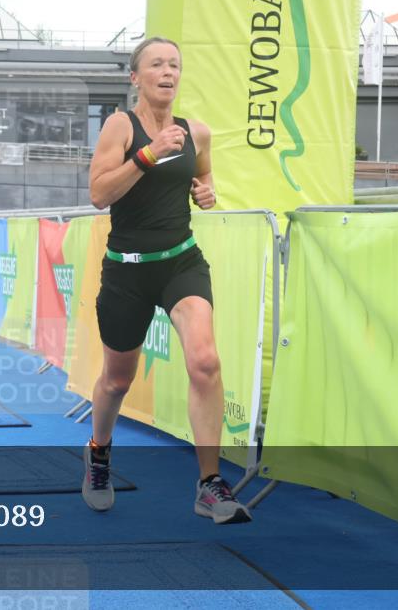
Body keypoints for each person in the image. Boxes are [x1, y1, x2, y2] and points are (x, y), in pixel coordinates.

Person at [85, 37, 250, 524]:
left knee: (205, 362)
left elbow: (204, 179)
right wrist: (146, 156)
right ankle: (98, 454)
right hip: (127, 269)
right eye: (156, 64)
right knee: (117, 380)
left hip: (181, 262)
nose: (168, 72)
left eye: (174, 64)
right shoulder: (121, 126)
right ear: (135, 77)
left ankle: (209, 485)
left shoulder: (196, 132)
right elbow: (98, 193)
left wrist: (207, 193)